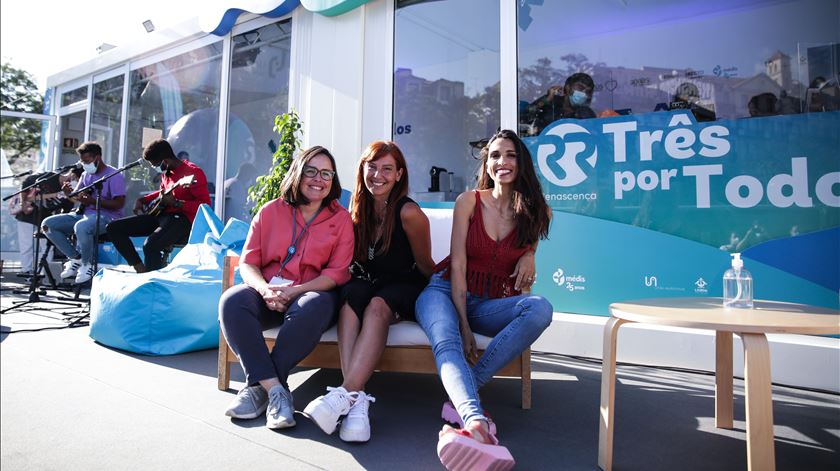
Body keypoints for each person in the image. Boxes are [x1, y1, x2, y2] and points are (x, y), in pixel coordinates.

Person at [415, 129, 553, 470]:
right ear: (486, 163)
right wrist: (463, 324)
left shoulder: (537, 212)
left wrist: (530, 255)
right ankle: (475, 422)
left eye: (509, 155)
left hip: (491, 302)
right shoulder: (469, 201)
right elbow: (458, 264)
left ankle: (464, 393)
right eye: (494, 155)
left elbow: (530, 243)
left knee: (540, 309)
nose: (501, 162)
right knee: (447, 340)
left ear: (521, 163)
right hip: (444, 291)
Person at [303, 141, 435, 442]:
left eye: (387, 169)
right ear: (362, 169)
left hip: (405, 285)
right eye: (372, 167)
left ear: (399, 174)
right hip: (370, 281)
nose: (378, 175)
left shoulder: (409, 213)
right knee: (350, 300)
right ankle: (356, 401)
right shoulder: (356, 209)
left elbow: (426, 265)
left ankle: (344, 393)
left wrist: (448, 294)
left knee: (376, 304)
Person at [218, 145, 354, 430]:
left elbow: (338, 273)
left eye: (326, 173)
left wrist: (295, 291)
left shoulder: (341, 219)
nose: (319, 179)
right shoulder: (271, 211)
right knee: (232, 301)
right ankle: (277, 391)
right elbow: (248, 263)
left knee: (312, 305)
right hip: (268, 291)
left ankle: (258, 388)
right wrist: (265, 289)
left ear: (333, 180)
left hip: (313, 295)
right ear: (297, 173)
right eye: (311, 171)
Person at [106, 139, 211, 273]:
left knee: (151, 245)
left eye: (154, 164)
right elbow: (162, 192)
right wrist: (143, 200)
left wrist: (177, 203)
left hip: (184, 221)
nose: (153, 167)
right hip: (162, 217)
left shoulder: (194, 172)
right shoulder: (167, 172)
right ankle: (140, 269)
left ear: (165, 160)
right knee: (113, 228)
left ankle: (153, 285)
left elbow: (206, 206)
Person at [41, 142, 126, 284]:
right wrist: (69, 194)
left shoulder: (114, 175)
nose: (84, 164)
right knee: (47, 225)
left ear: (97, 158)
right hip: (84, 214)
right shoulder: (86, 174)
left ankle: (88, 264)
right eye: (82, 161)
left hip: (108, 217)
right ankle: (76, 258)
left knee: (82, 226)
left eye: (87, 161)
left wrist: (93, 202)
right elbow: (78, 197)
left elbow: (119, 204)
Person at [525, 72, 596, 134]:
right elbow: (525, 114)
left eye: (587, 92)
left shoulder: (587, 114)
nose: (583, 94)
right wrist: (546, 100)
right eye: (580, 88)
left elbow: (594, 134)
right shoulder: (550, 103)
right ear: (568, 88)